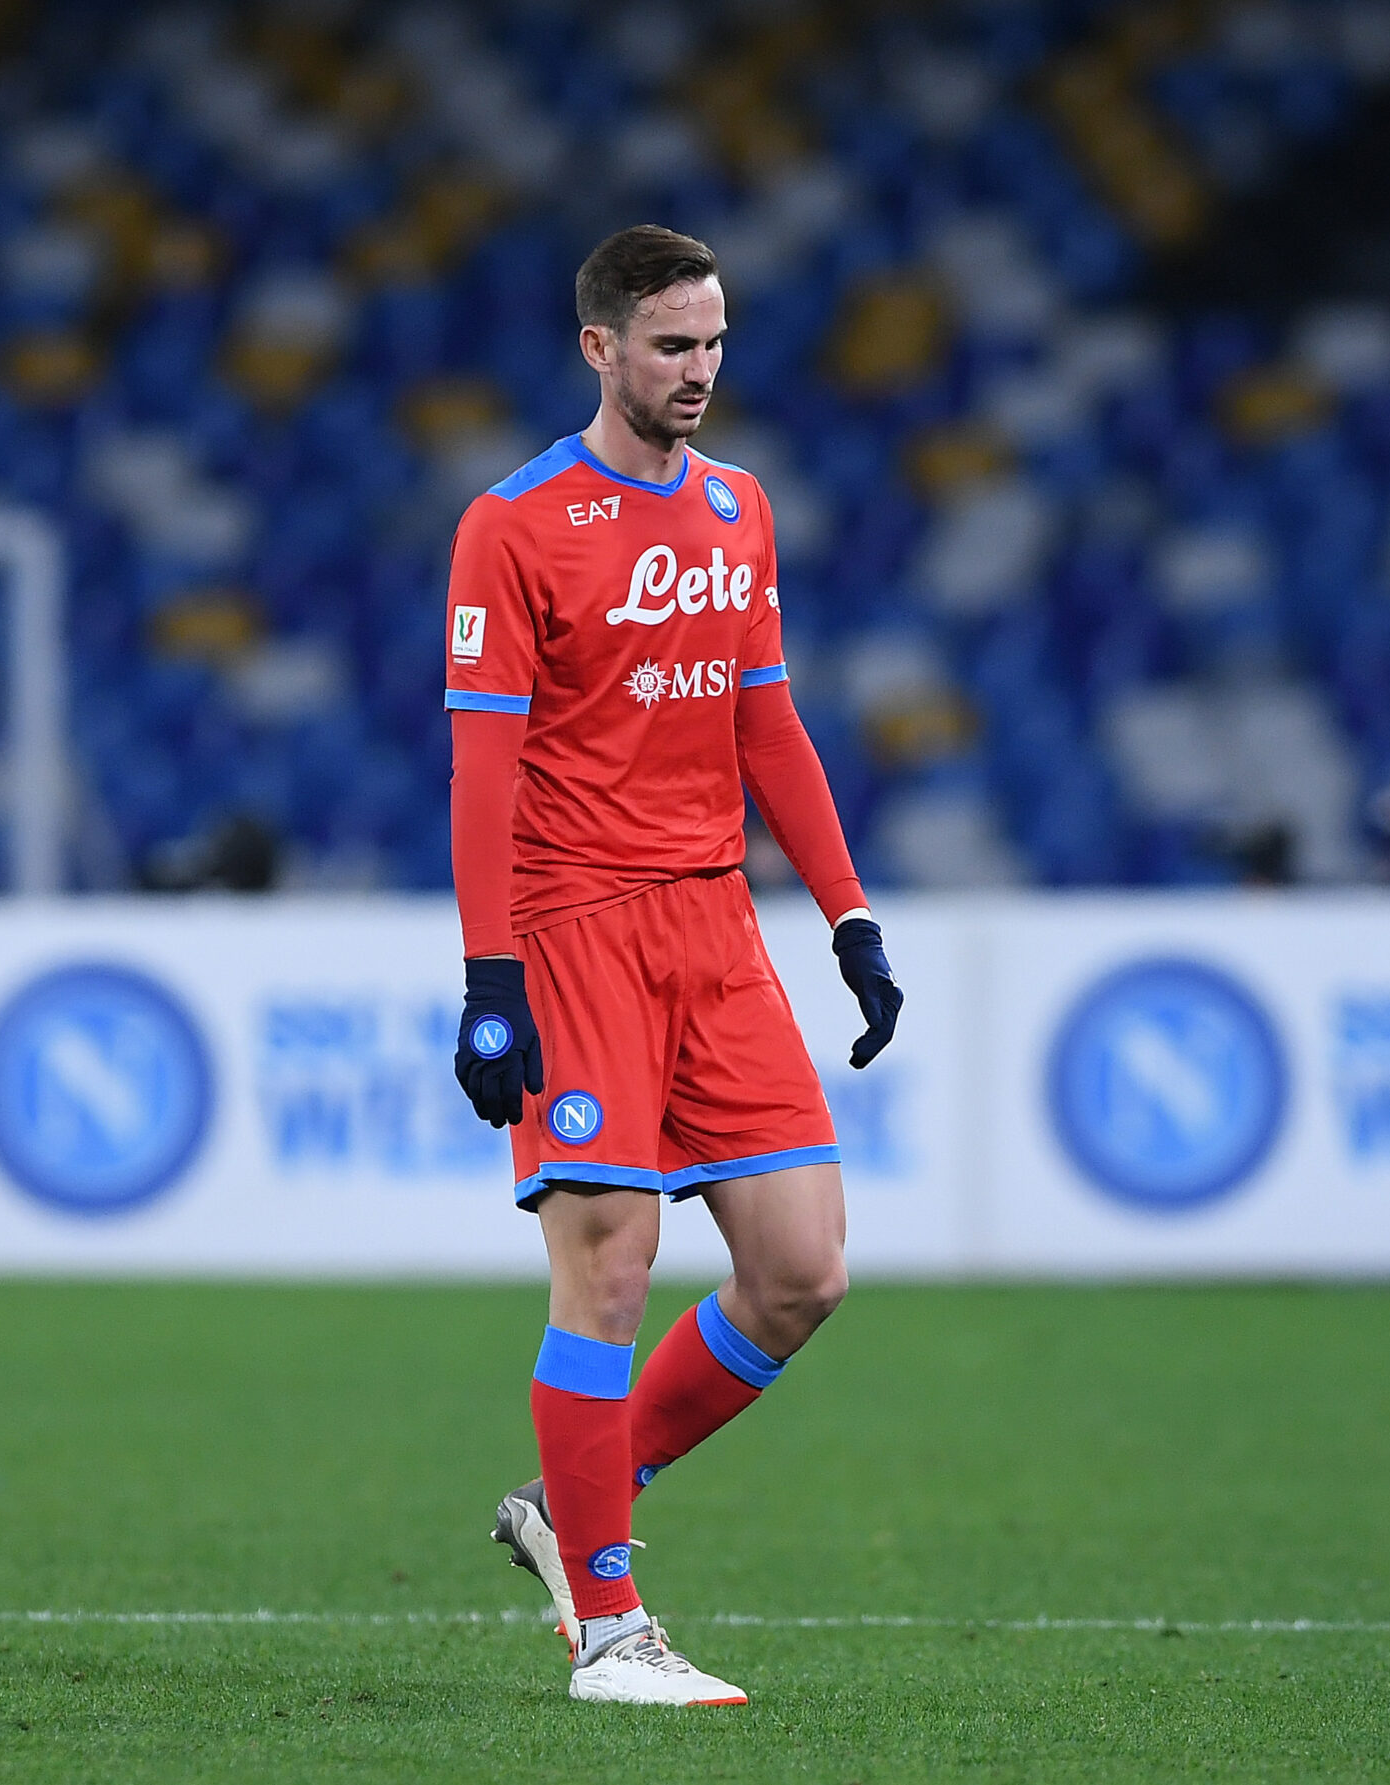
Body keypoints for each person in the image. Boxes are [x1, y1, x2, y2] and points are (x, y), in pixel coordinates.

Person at [442, 224, 903, 1706]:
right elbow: (483, 769)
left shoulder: (739, 507)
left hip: (716, 925)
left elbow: (768, 724)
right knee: (612, 1264)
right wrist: (491, 978)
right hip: (576, 926)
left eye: (712, 343)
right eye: (670, 345)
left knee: (802, 1272)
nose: (699, 370)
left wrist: (847, 917)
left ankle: (571, 1503)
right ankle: (609, 1628)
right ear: (600, 348)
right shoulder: (513, 524)